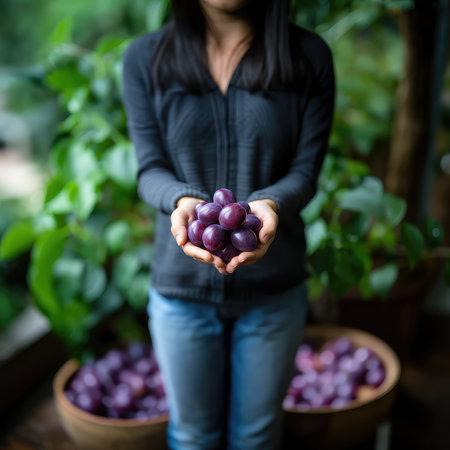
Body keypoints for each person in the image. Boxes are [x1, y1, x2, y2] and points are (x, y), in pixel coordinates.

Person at [121, 0, 335, 448]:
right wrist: (181, 200)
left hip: (274, 294)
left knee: (257, 438)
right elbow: (149, 168)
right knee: (193, 437)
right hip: (181, 295)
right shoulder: (145, 57)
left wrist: (269, 204)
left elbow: (305, 172)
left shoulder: (308, 57)